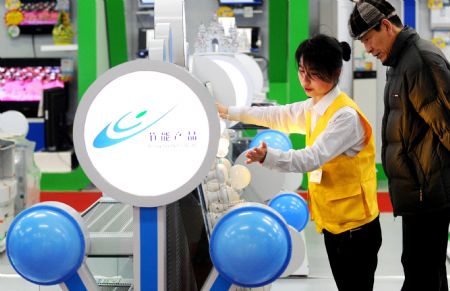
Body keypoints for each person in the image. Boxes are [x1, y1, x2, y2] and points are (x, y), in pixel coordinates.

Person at [217, 34, 381, 291]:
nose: (305, 80)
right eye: (302, 71)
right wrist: (228, 111)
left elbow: (311, 157)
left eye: (313, 74)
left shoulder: (345, 116)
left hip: (355, 228)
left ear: (335, 72)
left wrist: (268, 156)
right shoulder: (315, 106)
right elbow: (277, 115)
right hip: (334, 222)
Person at [348, 1, 450, 290]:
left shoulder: (419, 61)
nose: (367, 48)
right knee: (425, 271)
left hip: (428, 191)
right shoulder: (400, 61)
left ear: (386, 25)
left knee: (421, 273)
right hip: (419, 191)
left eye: (368, 38)